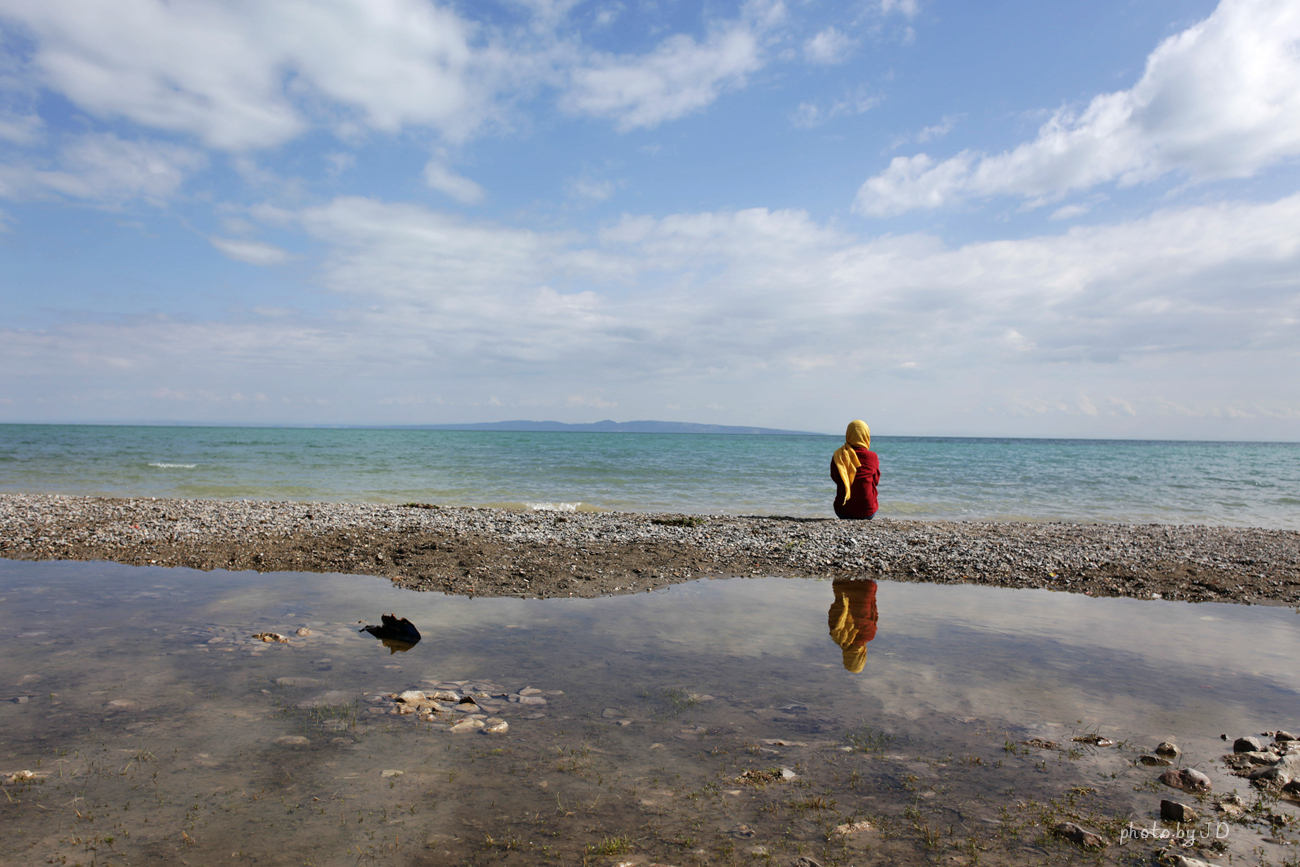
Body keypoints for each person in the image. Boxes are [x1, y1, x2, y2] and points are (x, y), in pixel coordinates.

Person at [831, 419, 879, 519]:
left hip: (842, 511)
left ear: (848, 434)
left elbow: (835, 478)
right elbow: (876, 481)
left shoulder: (839, 455)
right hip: (868, 511)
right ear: (866, 435)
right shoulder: (872, 456)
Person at [827, 579, 878, 673]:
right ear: (845, 656)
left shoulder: (869, 635)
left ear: (862, 657)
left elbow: (873, 609)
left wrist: (873, 589)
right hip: (842, 585)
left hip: (867, 586)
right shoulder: (838, 636)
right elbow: (833, 611)